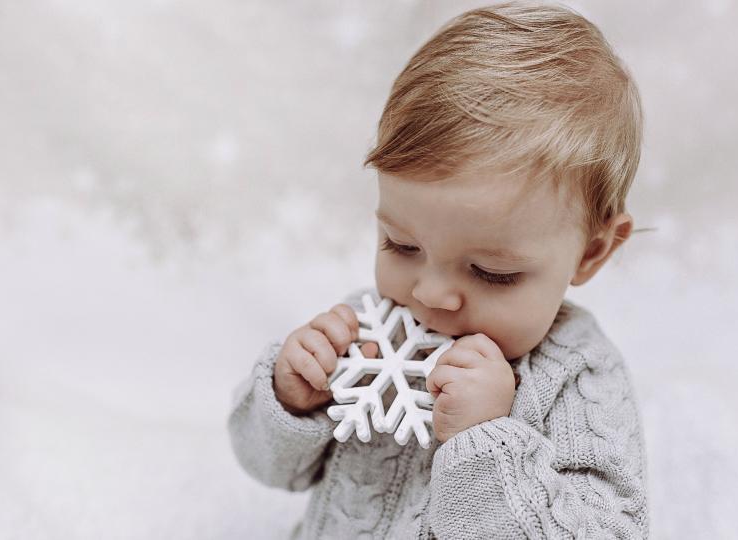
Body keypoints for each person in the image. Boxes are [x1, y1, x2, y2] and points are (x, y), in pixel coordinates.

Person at [228, 2, 649, 538]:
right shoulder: (364, 330)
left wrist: (488, 440)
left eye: (491, 272)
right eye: (401, 245)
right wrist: (291, 401)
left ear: (591, 253)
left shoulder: (578, 376)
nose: (429, 293)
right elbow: (266, 467)